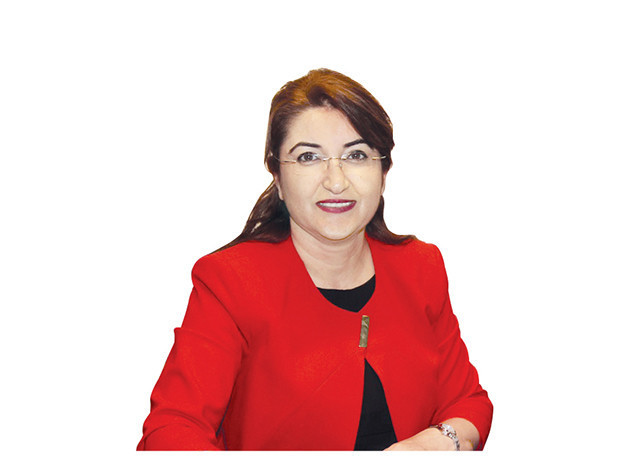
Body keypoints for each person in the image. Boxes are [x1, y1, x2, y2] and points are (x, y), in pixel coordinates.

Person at [137, 69, 493, 451]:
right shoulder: (231, 282)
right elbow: (171, 431)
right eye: (308, 157)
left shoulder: (420, 267)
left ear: (383, 172)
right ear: (277, 177)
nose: (336, 181)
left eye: (356, 155)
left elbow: (468, 402)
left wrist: (436, 443)